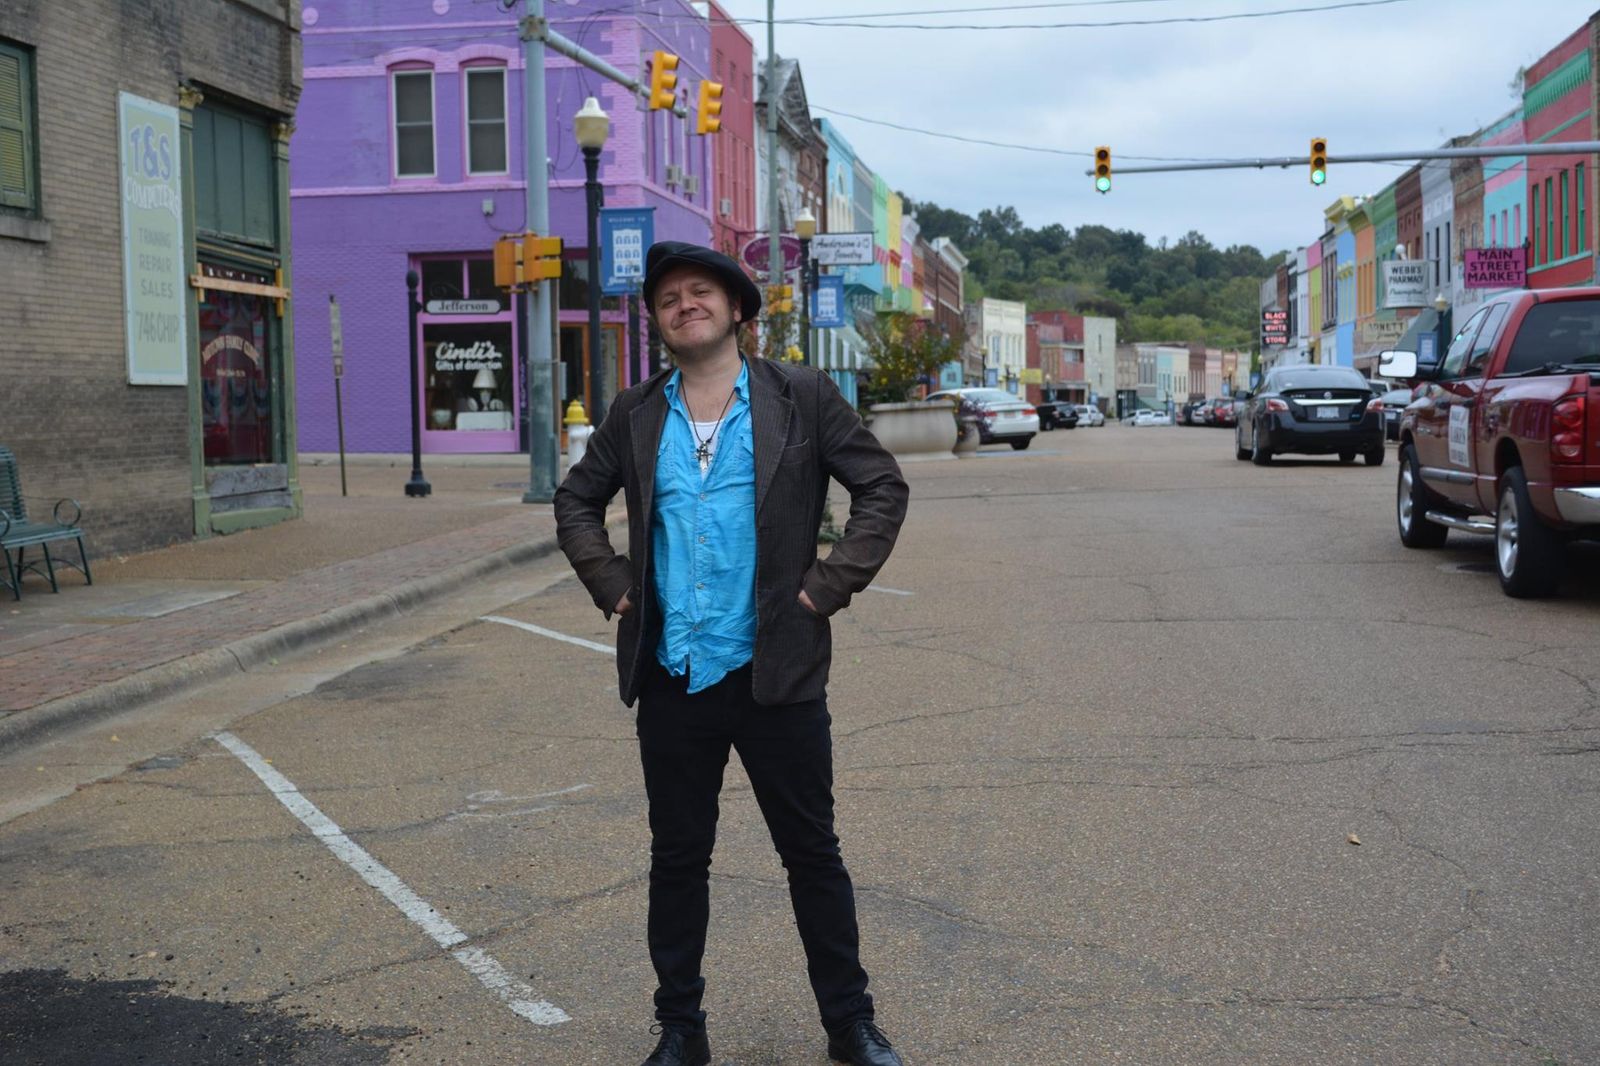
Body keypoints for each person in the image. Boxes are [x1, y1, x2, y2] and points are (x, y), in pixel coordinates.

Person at [553, 241, 910, 1066]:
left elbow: (881, 486)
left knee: (811, 854)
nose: (685, 304)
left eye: (701, 291)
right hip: (674, 672)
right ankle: (681, 1029)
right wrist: (613, 584)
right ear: (657, 321)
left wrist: (828, 586)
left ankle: (849, 1024)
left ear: (738, 309)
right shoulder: (636, 412)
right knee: (678, 858)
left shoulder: (801, 396)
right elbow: (576, 501)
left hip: (776, 670)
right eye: (668, 297)